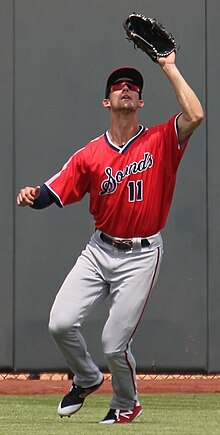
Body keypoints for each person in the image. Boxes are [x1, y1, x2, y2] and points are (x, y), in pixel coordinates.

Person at [16, 52, 204, 424]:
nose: (126, 89)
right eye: (118, 86)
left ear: (141, 101)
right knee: (60, 323)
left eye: (133, 86)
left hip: (141, 255)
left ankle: (125, 402)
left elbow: (196, 114)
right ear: (107, 101)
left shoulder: (161, 140)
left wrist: (168, 67)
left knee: (114, 344)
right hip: (99, 251)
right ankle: (86, 377)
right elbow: (53, 191)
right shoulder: (90, 154)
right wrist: (32, 194)